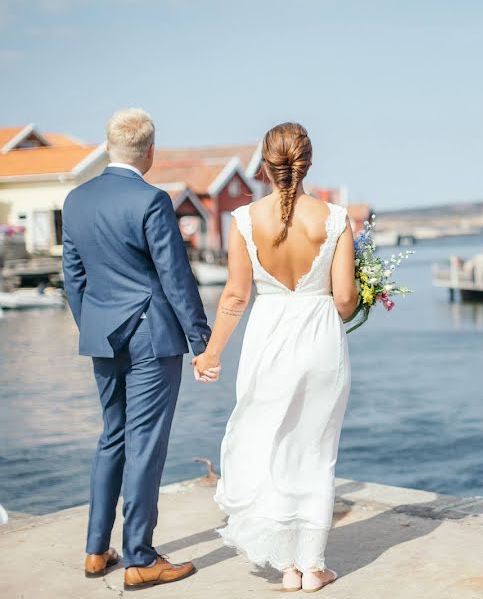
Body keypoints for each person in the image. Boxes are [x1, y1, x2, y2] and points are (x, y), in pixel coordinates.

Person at [192, 122, 357, 592]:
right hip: (320, 335)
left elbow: (235, 296)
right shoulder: (336, 217)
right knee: (315, 451)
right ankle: (313, 566)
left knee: (273, 447)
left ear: (264, 165)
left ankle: (287, 567)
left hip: (267, 338)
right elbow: (344, 299)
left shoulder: (243, 220)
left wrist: (211, 353)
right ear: (308, 163)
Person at [62, 108, 215, 590]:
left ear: (108, 145)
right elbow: (175, 278)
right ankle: (140, 558)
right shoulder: (152, 201)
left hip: (102, 335)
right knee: (145, 445)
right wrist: (201, 342)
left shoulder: (75, 200)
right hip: (152, 336)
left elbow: (73, 277)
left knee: (113, 436)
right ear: (151, 150)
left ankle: (94, 550)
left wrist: (92, 324)